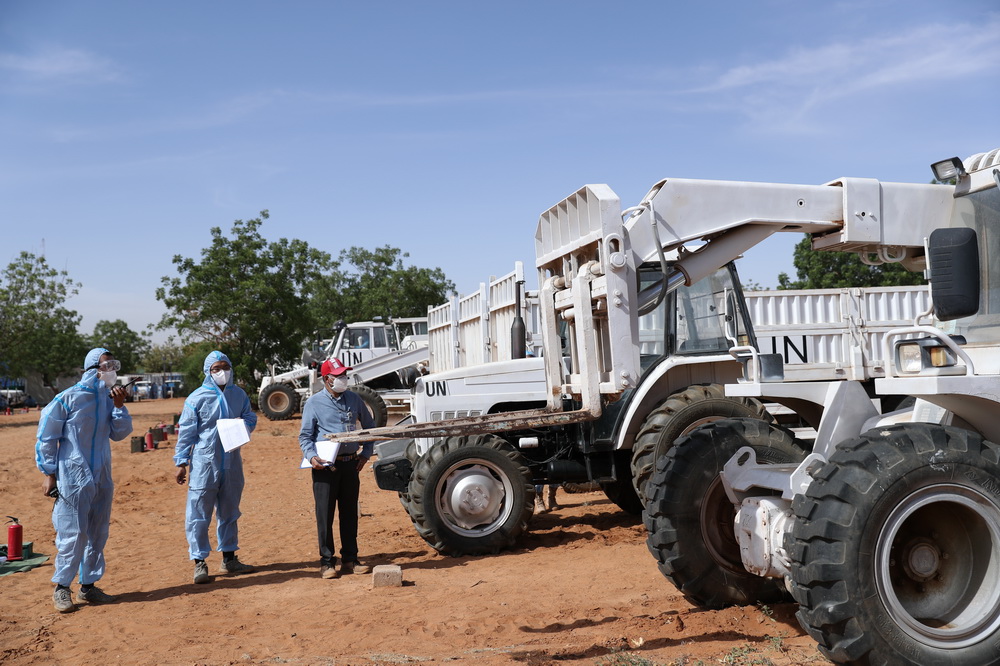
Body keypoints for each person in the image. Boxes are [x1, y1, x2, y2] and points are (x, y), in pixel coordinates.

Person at [35, 348, 133, 613]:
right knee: (73, 533)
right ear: (93, 369)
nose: (112, 370)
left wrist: (120, 407)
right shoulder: (67, 399)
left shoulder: (108, 399)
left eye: (114, 365)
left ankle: (88, 586)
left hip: (101, 475)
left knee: (98, 532)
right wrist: (49, 473)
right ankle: (62, 588)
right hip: (72, 476)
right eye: (106, 365)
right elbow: (47, 436)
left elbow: (120, 433)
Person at [174, 351, 257, 584]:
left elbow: (250, 417)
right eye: (216, 369)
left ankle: (229, 558)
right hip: (203, 464)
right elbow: (187, 432)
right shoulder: (196, 398)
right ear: (208, 372)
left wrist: (241, 428)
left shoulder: (238, 395)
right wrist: (182, 462)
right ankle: (199, 562)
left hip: (232, 462)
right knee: (199, 514)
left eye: (225, 367)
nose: (222, 373)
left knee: (230, 511)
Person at [298, 358, 374, 579]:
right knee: (325, 515)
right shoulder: (313, 403)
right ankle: (327, 562)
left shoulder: (354, 399)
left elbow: (370, 427)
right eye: (338, 376)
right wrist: (311, 457)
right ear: (326, 379)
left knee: (350, 513)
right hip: (325, 468)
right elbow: (305, 437)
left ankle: (350, 559)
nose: (343, 379)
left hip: (351, 464)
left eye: (344, 375)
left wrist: (366, 454)